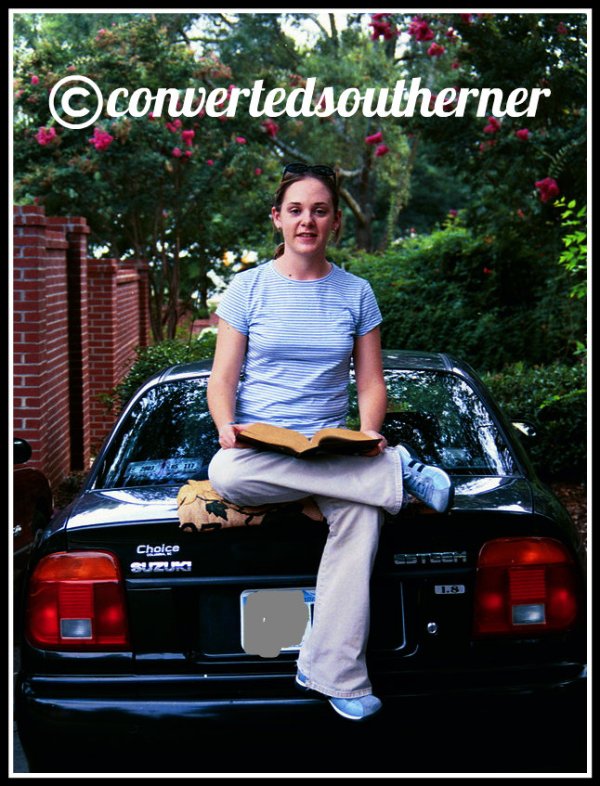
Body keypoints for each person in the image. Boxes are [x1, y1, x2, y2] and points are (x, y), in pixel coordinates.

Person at [206, 162, 453, 721]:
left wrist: (367, 434)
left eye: (319, 210)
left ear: (335, 222)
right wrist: (225, 423)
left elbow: (370, 381)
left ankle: (333, 674)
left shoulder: (356, 293)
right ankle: (398, 472)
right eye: (295, 210)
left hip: (326, 448)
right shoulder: (246, 291)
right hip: (259, 450)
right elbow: (222, 380)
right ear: (277, 219)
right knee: (225, 474)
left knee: (362, 516)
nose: (307, 221)